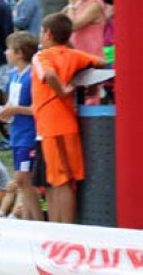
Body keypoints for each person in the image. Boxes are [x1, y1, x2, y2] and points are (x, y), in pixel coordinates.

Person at [32, 13, 107, 223]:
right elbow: (100, 62)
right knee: (62, 181)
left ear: (48, 33)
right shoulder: (74, 55)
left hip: (50, 124)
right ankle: (59, 227)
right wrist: (85, 83)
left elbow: (50, 76)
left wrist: (62, 90)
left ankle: (64, 229)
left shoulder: (42, 56)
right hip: (68, 123)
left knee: (59, 181)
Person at [0, 31, 43, 220]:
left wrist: (15, 109)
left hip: (28, 133)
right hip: (16, 132)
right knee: (22, 180)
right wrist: (5, 112)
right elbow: (11, 104)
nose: (5, 53)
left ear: (19, 53)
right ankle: (29, 218)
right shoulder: (14, 75)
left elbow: (36, 108)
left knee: (24, 178)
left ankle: (36, 219)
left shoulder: (32, 76)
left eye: (9, 49)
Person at [65, 0, 106, 105]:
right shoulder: (78, 2)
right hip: (75, 58)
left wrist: (70, 5)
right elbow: (61, 21)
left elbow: (74, 25)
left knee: (89, 101)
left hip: (91, 59)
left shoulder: (95, 4)